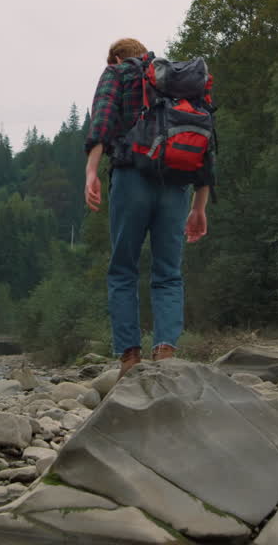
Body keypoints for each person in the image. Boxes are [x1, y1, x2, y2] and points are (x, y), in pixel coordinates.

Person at [84, 37, 213, 379]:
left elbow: (103, 120)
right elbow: (205, 144)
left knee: (124, 268)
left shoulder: (118, 74)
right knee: (168, 272)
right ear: (147, 55)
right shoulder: (176, 82)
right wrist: (200, 206)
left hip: (132, 179)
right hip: (177, 184)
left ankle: (129, 357)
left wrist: (91, 172)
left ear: (114, 58)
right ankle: (166, 351)